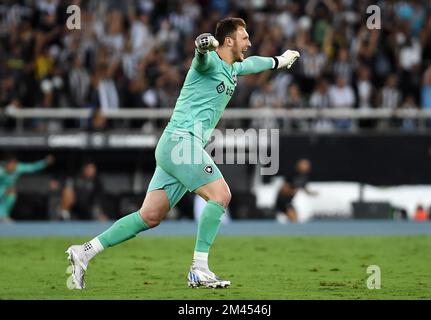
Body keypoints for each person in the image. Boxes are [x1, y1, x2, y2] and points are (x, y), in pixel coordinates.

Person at [66, 17, 300, 290]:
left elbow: (255, 63)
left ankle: (84, 251)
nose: (249, 41)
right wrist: (202, 47)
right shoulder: (210, 61)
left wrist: (281, 60)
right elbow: (201, 57)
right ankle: (199, 268)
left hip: (174, 147)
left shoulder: (234, 68)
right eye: (244, 37)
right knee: (221, 195)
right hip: (180, 143)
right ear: (228, 41)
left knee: (149, 217)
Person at [0, 154, 55, 222]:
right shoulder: (1, 171)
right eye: (11, 165)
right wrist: (3, 191)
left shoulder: (18, 168)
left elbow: (32, 167)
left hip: (6, 190)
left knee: (11, 194)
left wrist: (44, 162)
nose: (13, 167)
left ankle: (3, 216)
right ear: (6, 165)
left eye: (15, 165)